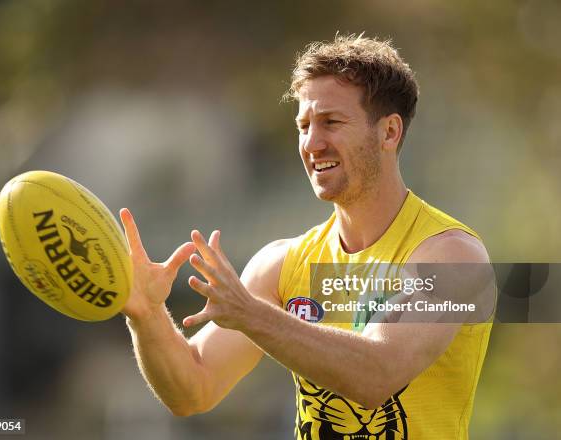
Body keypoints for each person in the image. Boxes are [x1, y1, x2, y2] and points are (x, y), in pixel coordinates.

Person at [119, 34, 492, 439]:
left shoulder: (453, 256)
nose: (312, 143)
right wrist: (147, 314)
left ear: (389, 133)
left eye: (331, 122)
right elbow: (193, 389)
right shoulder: (283, 263)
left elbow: (379, 373)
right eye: (304, 125)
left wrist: (250, 313)